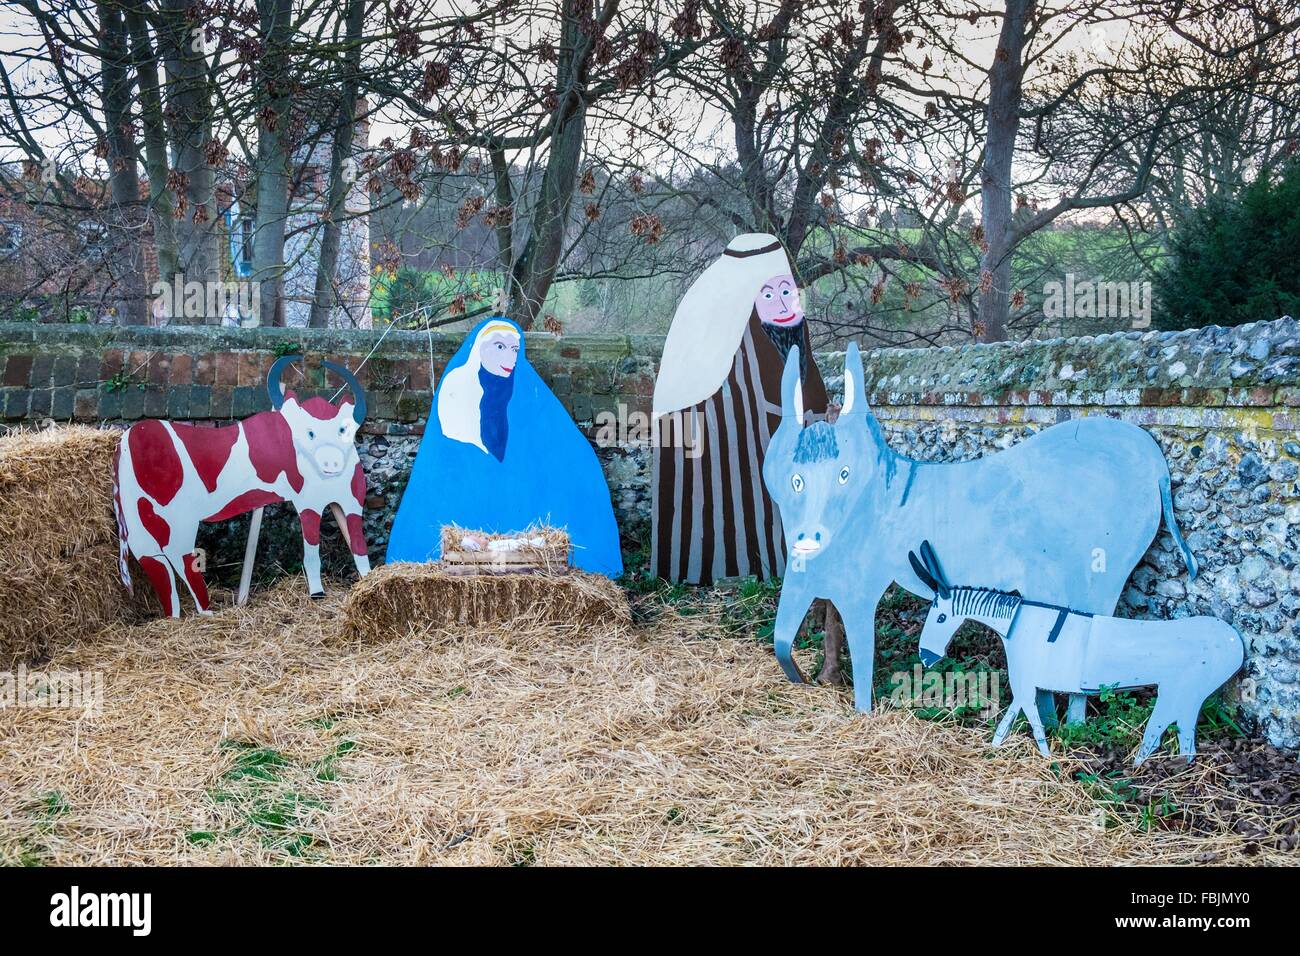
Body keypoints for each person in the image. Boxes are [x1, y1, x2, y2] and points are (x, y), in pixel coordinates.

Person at [652, 233, 827, 584]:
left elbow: (807, 386)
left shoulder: (793, 326)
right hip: (721, 435)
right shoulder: (722, 320)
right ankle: (744, 566)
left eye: (785, 292)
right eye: (767, 294)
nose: (780, 304)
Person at [387, 317, 623, 576]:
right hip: (467, 486)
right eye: (500, 347)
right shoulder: (457, 386)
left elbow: (549, 439)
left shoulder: (528, 391)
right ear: (479, 348)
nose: (510, 357)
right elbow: (454, 449)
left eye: (514, 350)